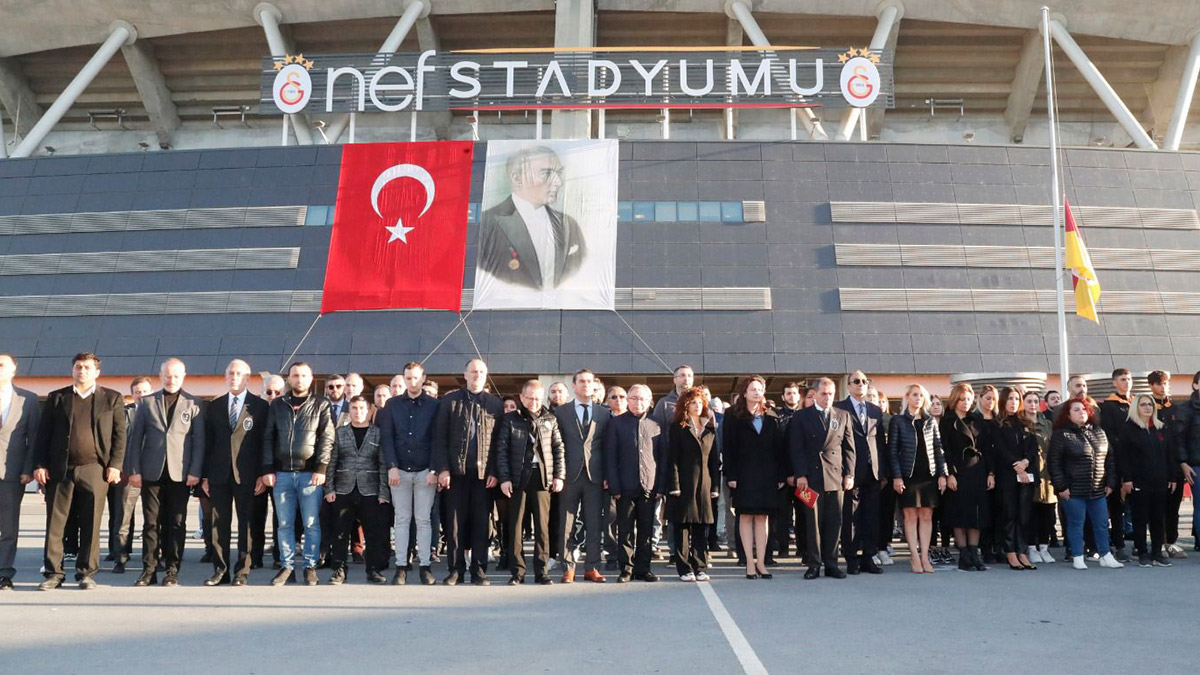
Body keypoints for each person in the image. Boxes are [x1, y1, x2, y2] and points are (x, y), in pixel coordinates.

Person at [33, 352, 126, 591]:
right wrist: (39, 464)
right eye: (77, 367)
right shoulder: (57, 398)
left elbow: (120, 436)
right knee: (55, 523)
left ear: (97, 372)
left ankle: (86, 573)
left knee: (91, 522)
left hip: (95, 470)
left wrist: (115, 465)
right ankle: (54, 573)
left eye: (86, 367)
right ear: (72, 370)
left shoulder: (112, 399)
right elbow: (43, 436)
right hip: (60, 470)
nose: (81, 371)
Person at [127, 358, 206, 587]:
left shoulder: (194, 403)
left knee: (176, 523)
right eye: (167, 376)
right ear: (161, 377)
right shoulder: (147, 402)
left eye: (176, 376)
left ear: (183, 376)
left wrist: (195, 471)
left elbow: (199, 442)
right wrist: (134, 470)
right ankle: (149, 570)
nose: (171, 380)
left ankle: (172, 570)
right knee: (150, 523)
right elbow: (135, 439)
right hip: (151, 472)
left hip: (180, 474)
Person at [262, 361, 335, 586]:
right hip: (282, 474)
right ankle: (287, 566)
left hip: (310, 475)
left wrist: (321, 468)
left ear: (311, 379)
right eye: (295, 375)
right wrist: (267, 469)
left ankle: (310, 566)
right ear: (289, 379)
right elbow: (268, 438)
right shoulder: (278, 405)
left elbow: (327, 438)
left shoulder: (321, 404)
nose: (299, 379)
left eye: (304, 375)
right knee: (284, 524)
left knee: (311, 523)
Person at [432, 358, 504, 586]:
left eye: (481, 372)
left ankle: (479, 570)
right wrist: (442, 469)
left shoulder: (495, 404)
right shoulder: (450, 401)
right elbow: (440, 438)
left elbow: (499, 442)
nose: (477, 375)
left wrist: (495, 471)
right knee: (454, 525)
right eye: (473, 372)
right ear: (465, 375)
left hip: (484, 476)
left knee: (482, 523)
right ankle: (455, 569)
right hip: (455, 474)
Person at [478, 145, 587, 290]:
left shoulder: (569, 225)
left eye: (558, 173)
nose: (558, 182)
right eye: (546, 173)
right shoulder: (488, 222)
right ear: (517, 178)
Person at [201, 359, 269, 587]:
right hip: (218, 474)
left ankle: (242, 571)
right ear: (225, 376)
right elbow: (207, 443)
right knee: (218, 525)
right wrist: (205, 476)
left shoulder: (260, 406)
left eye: (239, 373)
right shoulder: (215, 406)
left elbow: (263, 443)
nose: (234, 377)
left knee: (246, 524)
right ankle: (220, 570)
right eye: (231, 373)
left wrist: (262, 473)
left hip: (248, 475)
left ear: (248, 378)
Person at [497, 380, 565, 585]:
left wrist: (559, 476)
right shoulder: (510, 420)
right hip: (518, 479)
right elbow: (501, 450)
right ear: (521, 398)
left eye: (537, 398)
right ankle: (517, 572)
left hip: (542, 478)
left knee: (542, 528)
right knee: (516, 526)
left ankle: (541, 571)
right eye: (530, 398)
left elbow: (558, 448)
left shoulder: (550, 419)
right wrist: (504, 478)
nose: (534, 402)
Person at [380, 361, 439, 586]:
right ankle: (401, 566)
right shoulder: (392, 405)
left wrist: (434, 468)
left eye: (416, 378)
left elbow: (438, 439)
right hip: (400, 471)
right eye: (408, 378)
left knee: (424, 520)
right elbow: (387, 437)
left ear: (423, 379)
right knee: (402, 520)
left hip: (426, 471)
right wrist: (392, 466)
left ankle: (425, 566)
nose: (412, 382)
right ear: (403, 379)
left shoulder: (434, 405)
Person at [790, 377, 855, 580]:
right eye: (823, 393)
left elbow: (849, 448)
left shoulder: (843, 415)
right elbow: (796, 448)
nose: (827, 397)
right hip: (810, 477)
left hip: (836, 476)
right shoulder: (801, 417)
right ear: (815, 394)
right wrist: (800, 474)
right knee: (813, 522)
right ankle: (814, 564)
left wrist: (849, 474)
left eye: (831, 394)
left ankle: (832, 563)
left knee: (835, 522)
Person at [1048, 397, 1123, 570]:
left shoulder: (1099, 432)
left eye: (1083, 409)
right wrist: (1061, 487)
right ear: (1068, 414)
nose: (1081, 412)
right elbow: (1054, 463)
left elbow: (1110, 459)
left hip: (1098, 489)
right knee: (1076, 523)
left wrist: (1111, 482)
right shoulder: (1061, 434)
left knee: (1102, 523)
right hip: (1073, 490)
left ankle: (1105, 555)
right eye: (1076, 410)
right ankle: (1077, 555)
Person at [554, 368, 610, 583]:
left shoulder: (604, 413)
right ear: (574, 386)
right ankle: (568, 567)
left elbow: (607, 446)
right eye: (582, 381)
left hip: (595, 476)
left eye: (590, 382)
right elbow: (556, 446)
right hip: (568, 474)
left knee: (594, 523)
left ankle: (592, 567)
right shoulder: (561, 412)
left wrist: (607, 475)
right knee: (566, 523)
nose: (586, 385)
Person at [325, 396, 389, 584]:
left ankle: (374, 569)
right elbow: (331, 462)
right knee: (340, 532)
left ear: (369, 411)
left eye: (362, 408)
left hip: (370, 489)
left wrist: (383, 492)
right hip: (343, 489)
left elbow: (383, 464)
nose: (358, 411)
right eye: (354, 408)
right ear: (349, 410)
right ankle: (338, 569)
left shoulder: (377, 433)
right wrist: (329, 488)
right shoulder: (340, 433)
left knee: (373, 532)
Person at [604, 384, 663, 583]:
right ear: (627, 401)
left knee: (646, 531)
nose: (638, 402)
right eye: (634, 398)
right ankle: (626, 569)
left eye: (642, 399)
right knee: (625, 531)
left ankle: (643, 568)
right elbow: (610, 457)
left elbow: (662, 458)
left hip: (650, 486)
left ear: (650, 401)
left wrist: (660, 487)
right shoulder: (616, 424)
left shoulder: (657, 424)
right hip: (624, 487)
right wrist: (615, 487)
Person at [888, 384, 947, 575]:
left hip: (928, 475)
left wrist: (942, 474)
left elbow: (938, 449)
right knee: (911, 516)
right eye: (914, 395)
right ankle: (914, 555)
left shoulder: (931, 421)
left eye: (921, 395)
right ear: (907, 397)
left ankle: (924, 556)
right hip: (908, 475)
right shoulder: (898, 420)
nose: (918, 398)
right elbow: (893, 451)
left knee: (927, 516)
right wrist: (897, 476)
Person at [1119, 393, 1180, 568]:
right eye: (1143, 404)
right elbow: (1124, 458)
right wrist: (1127, 479)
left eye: (1150, 405)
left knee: (1158, 518)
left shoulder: (1161, 428)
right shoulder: (1128, 429)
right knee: (1140, 518)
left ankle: (1156, 552)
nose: (1147, 408)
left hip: (1160, 480)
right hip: (1139, 481)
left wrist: (1172, 477)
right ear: (1136, 407)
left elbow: (1170, 455)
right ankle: (1142, 552)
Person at [665, 387, 719, 582]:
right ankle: (684, 568)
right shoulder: (678, 427)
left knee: (701, 526)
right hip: (684, 483)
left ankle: (700, 566)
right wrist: (674, 485)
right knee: (682, 526)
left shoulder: (710, 428)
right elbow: (672, 459)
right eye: (693, 402)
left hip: (705, 484)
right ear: (685, 405)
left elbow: (714, 460)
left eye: (700, 402)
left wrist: (715, 487)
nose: (697, 406)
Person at [835, 371, 886, 575]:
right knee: (851, 517)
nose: (861, 385)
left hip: (873, 471)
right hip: (851, 471)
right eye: (856, 381)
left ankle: (868, 557)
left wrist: (884, 472)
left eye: (865, 381)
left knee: (871, 516)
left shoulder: (875, 410)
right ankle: (852, 558)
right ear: (848, 386)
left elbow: (880, 442)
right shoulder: (839, 408)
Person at [940, 384, 991, 571]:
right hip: (959, 471)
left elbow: (986, 448)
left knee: (976, 514)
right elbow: (945, 450)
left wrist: (990, 473)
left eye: (968, 399)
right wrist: (950, 474)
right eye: (962, 399)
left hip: (977, 470)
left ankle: (974, 551)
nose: (965, 403)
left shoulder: (976, 420)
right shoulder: (947, 421)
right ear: (955, 400)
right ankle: (963, 554)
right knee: (959, 514)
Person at [0, 353, 38, 589]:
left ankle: (4, 573)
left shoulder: (28, 399)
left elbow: (33, 438)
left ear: (14, 370)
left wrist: (28, 469)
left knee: (8, 527)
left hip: (12, 473)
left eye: (2, 364)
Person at [108, 376, 151, 574]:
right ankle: (121, 557)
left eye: (145, 391)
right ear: (132, 394)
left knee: (154, 519)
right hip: (128, 473)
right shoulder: (124, 413)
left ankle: (153, 557)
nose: (141, 395)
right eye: (138, 392)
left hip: (153, 472)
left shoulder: (158, 411)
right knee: (123, 517)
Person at [992, 387, 1039, 570]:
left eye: (1016, 399)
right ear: (1003, 401)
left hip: (1026, 474)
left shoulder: (1025, 422)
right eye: (1010, 399)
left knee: (1024, 515)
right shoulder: (998, 423)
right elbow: (1000, 449)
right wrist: (1016, 466)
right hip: (1007, 475)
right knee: (1009, 514)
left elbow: (1033, 447)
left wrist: (1026, 462)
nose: (1013, 402)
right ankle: (1010, 552)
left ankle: (1022, 551)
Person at [1148, 370, 1187, 560]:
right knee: (1157, 509)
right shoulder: (1147, 407)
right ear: (1151, 386)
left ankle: (1171, 541)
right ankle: (1158, 543)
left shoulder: (1176, 408)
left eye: (1166, 383)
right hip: (1155, 467)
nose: (1163, 387)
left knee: (1173, 508)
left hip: (1175, 466)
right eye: (1159, 383)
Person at [1099, 368, 1134, 563]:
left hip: (1139, 461)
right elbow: (1109, 435)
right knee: (1117, 506)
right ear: (1114, 382)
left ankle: (1139, 543)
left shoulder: (1137, 402)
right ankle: (1118, 544)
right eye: (1122, 379)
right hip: (1118, 461)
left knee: (1138, 505)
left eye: (1129, 379)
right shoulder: (1109, 406)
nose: (1126, 382)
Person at [1023, 390, 1057, 564]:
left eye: (1036, 401)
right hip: (1030, 472)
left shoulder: (1047, 423)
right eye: (1029, 401)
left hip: (1047, 474)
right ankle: (1031, 547)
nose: (1032, 404)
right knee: (1031, 513)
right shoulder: (1021, 423)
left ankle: (1044, 547)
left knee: (1047, 513)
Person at [1179, 371, 1200, 552]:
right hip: (1196, 466)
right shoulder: (1186, 409)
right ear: (1195, 385)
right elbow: (1179, 439)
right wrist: (1184, 463)